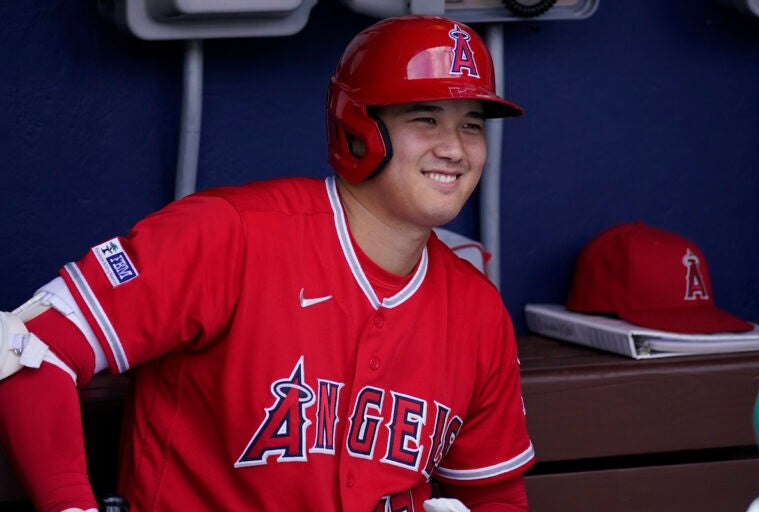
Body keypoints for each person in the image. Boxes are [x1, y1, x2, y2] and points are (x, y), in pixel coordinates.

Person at [0, 14, 535, 512]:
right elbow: (25, 350)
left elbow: (496, 493)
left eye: (471, 125)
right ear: (358, 125)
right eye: (426, 118)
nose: (456, 150)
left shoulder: (476, 309)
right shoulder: (226, 234)